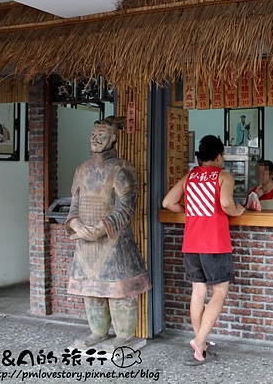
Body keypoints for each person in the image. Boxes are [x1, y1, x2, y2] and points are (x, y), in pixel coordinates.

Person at [66, 116, 151, 349]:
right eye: (93, 135)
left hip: (114, 242)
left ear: (113, 138)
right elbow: (73, 206)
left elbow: (125, 207)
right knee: (92, 293)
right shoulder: (81, 170)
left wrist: (99, 229)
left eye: (101, 135)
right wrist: (76, 225)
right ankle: (98, 332)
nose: (95, 139)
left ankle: (124, 335)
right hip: (85, 243)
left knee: (118, 291)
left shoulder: (122, 168)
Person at [162, 135, 245, 365]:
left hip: (191, 242)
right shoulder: (223, 176)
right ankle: (199, 341)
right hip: (215, 243)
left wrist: (190, 211)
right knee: (219, 292)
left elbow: (168, 202)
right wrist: (240, 211)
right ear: (219, 156)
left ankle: (201, 346)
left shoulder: (190, 176)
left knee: (198, 292)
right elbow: (227, 204)